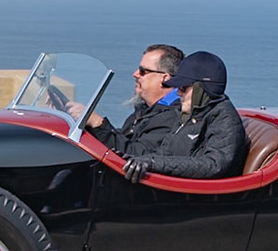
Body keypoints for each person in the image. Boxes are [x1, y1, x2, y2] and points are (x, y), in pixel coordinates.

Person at [123, 51, 247, 181]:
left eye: (183, 88)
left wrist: (152, 163)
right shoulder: (187, 116)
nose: (178, 94)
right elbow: (163, 154)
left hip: (200, 197)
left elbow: (213, 165)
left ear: (202, 89)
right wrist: (128, 159)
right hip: (175, 191)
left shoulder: (223, 117)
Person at [85, 44, 186, 157]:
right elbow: (126, 140)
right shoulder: (146, 110)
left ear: (165, 78)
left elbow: (140, 155)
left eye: (143, 71)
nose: (135, 74)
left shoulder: (172, 115)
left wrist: (98, 124)